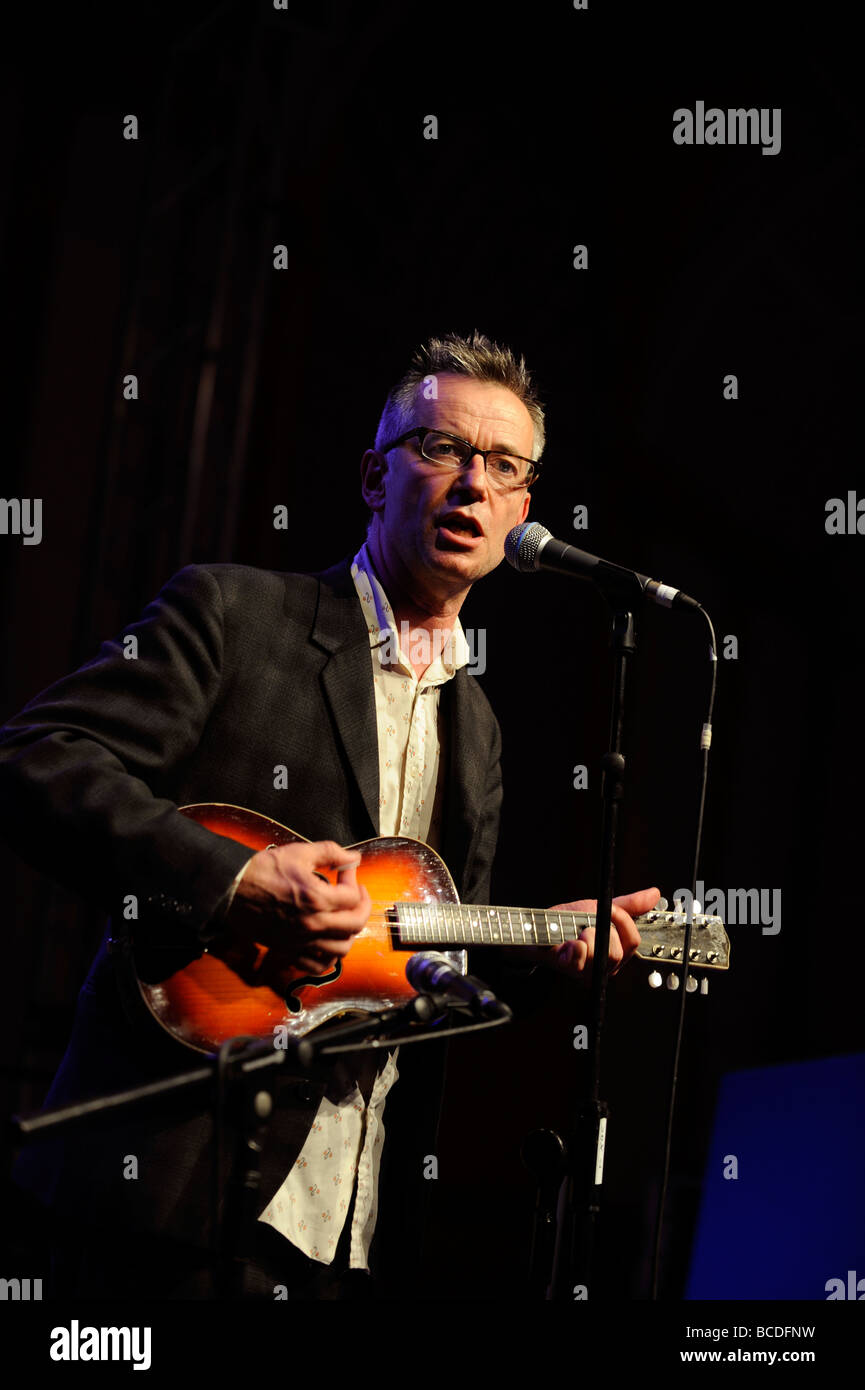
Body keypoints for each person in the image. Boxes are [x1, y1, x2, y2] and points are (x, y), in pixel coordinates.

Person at [0, 331, 657, 1298]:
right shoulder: (234, 614)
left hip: (345, 1233)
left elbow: (426, 971)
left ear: (523, 510)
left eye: (502, 466)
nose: (471, 483)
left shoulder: (478, 731)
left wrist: (543, 948)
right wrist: (227, 880)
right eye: (441, 449)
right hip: (168, 1198)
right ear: (372, 477)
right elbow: (35, 759)